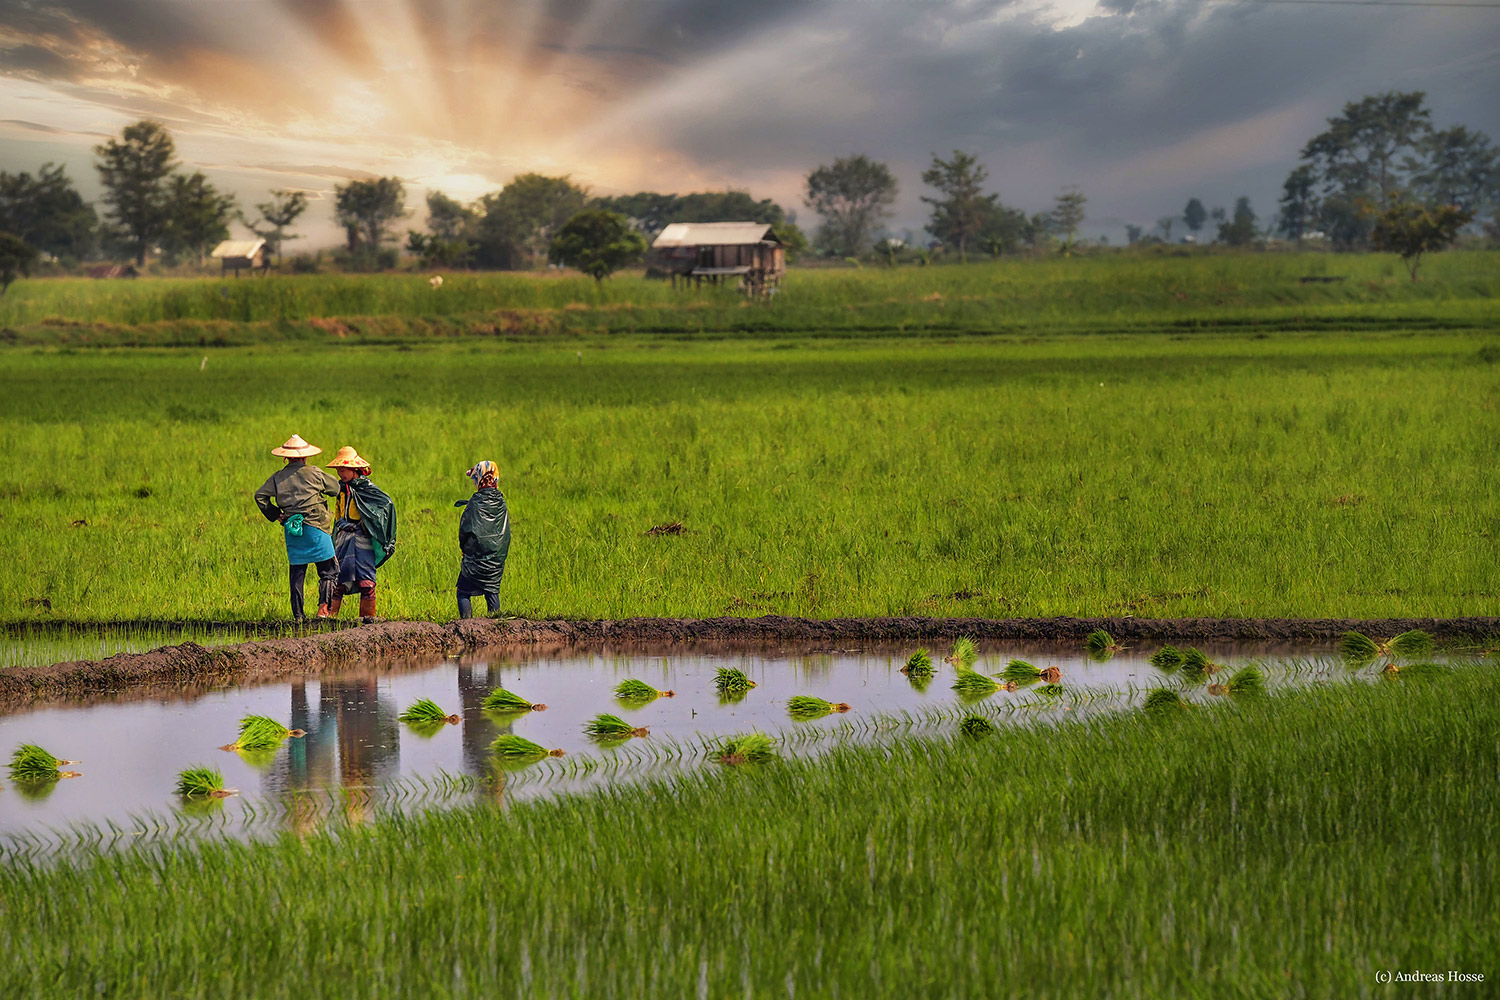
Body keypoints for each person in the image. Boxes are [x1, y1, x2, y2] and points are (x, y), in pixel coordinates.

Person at [254, 434, 339, 621]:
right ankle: (323, 611)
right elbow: (335, 489)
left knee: (297, 573)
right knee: (329, 570)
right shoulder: (314, 472)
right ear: (305, 456)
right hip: (317, 526)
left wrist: (277, 514)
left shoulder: (277, 477)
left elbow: (260, 496)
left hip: (293, 529)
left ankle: (298, 616)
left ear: (286, 458)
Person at [325, 446, 398, 620]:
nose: (341, 474)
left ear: (354, 469)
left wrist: (367, 523)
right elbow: (338, 511)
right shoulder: (341, 489)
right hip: (344, 537)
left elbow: (385, 504)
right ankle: (330, 620)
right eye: (339, 470)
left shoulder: (367, 488)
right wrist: (340, 525)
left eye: (343, 470)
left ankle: (367, 621)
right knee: (339, 580)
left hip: (363, 539)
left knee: (367, 582)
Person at [455, 460, 510, 619]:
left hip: (475, 561)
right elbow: (505, 534)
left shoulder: (474, 503)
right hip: (496, 560)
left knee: (463, 592)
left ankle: (466, 625)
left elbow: (465, 532)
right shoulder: (501, 503)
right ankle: (496, 627)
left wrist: (466, 551)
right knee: (492, 591)